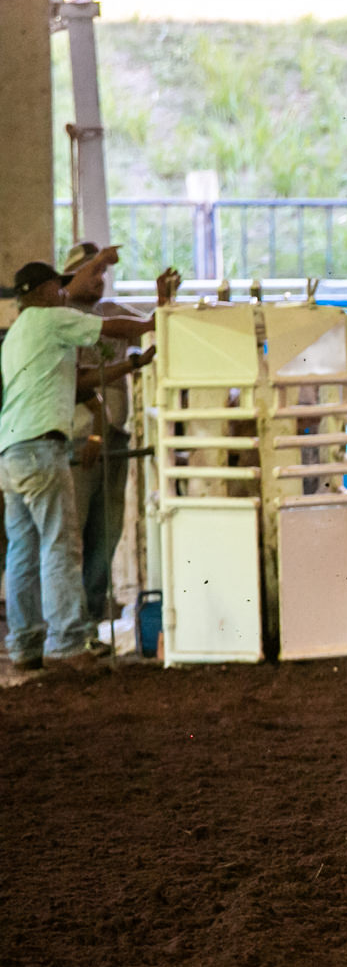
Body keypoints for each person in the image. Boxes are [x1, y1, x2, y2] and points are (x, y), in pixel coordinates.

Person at [1, 251, 156, 672]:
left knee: (23, 551)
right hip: (42, 448)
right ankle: (68, 641)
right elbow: (108, 327)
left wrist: (132, 363)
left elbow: (77, 383)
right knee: (60, 545)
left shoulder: (17, 334)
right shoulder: (52, 319)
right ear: (48, 290)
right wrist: (148, 325)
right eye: (59, 285)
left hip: (12, 452)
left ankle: (25, 643)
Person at [60, 243, 150, 622]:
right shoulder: (61, 317)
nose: (98, 280)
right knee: (76, 533)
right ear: (68, 279)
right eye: (91, 272)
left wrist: (163, 302)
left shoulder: (112, 313)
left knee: (107, 531)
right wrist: (129, 366)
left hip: (113, 435)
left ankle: (92, 616)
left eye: (101, 273)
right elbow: (78, 383)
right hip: (81, 437)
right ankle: (71, 621)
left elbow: (149, 324)